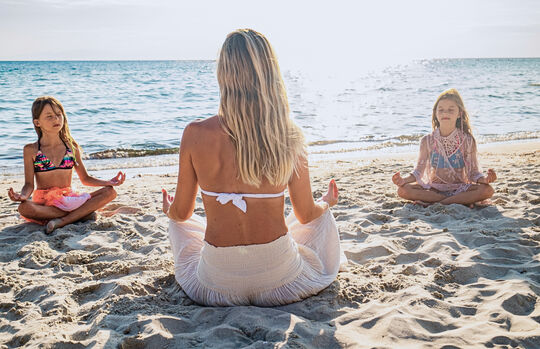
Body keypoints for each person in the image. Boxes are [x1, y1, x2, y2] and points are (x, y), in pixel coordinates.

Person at [162, 29, 346, 306]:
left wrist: (169, 208)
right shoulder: (288, 133)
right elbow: (306, 214)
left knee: (179, 224)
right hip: (279, 276)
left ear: (223, 73)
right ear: (270, 73)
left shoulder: (194, 133)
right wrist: (326, 202)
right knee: (321, 216)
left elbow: (182, 213)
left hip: (218, 280)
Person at [7, 96, 125, 234]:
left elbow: (85, 179)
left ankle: (63, 221)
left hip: (69, 199)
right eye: (49, 116)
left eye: (58, 115)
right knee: (24, 208)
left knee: (110, 191)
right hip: (45, 203)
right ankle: (80, 214)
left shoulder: (71, 147)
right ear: (37, 122)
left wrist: (109, 181)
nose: (56, 119)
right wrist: (22, 196)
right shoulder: (31, 150)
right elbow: (29, 185)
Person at [392, 88, 496, 206]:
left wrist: (486, 179)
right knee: (403, 190)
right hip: (434, 189)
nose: (445, 113)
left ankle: (437, 203)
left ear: (459, 114)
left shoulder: (467, 140)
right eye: (440, 110)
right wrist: (403, 180)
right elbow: (418, 172)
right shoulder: (427, 141)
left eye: (451, 110)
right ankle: (453, 201)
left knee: (487, 190)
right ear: (435, 114)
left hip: (460, 188)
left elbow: (473, 173)